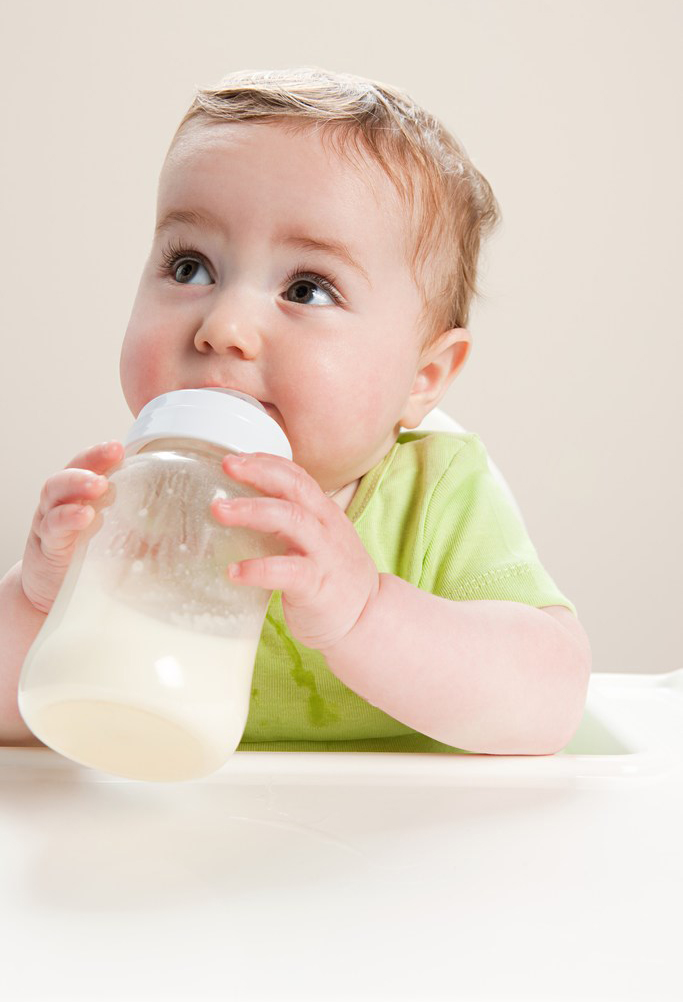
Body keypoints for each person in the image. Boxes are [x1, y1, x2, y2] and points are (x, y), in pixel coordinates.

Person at [0, 68, 591, 755]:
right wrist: (36, 602)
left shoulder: (437, 493)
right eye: (190, 267)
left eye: (307, 289)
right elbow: (30, 717)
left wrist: (364, 610)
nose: (224, 327)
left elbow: (551, 701)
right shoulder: (132, 494)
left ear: (422, 377)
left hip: (388, 845)